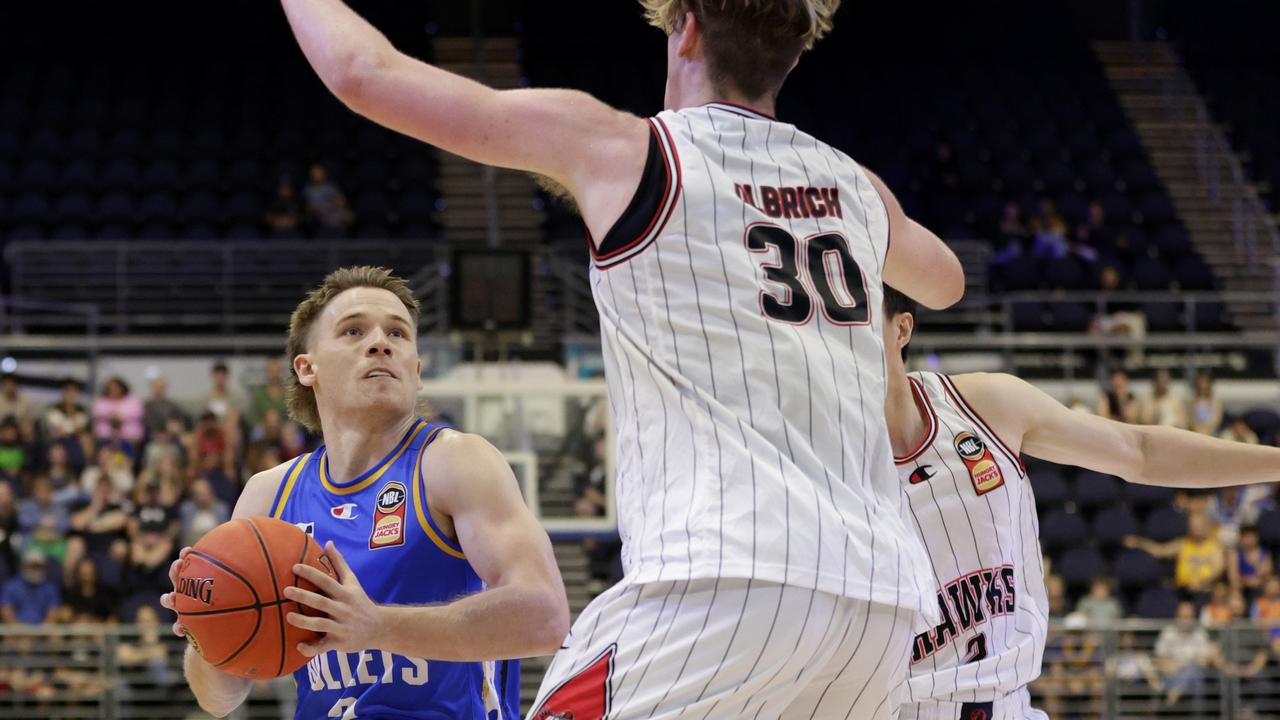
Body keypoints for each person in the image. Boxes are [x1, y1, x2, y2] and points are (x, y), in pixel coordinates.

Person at [282, 2, 966, 716]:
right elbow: (944, 281)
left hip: (724, 584)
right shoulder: (856, 187)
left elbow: (362, 73)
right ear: (793, 55)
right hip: (883, 609)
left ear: (687, 28)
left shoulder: (629, 151)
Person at [160, 267, 567, 719]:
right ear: (306, 367)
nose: (380, 342)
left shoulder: (454, 462)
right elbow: (219, 698)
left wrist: (376, 626)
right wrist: (206, 631)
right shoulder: (269, 494)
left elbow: (543, 615)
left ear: (416, 370)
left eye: (398, 332)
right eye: (353, 330)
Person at [877, 285, 1280, 718]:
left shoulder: (982, 405)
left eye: (855, 321)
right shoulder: (815, 458)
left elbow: (1139, 452)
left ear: (902, 329)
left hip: (1011, 705)